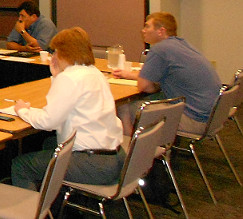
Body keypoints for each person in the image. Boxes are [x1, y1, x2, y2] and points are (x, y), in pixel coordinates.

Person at [11, 27, 125, 191]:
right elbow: (62, 113)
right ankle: (60, 206)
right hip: (115, 158)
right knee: (49, 144)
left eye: (55, 51)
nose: (53, 56)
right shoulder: (94, 73)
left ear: (65, 52)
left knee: (21, 165)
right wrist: (57, 76)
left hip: (93, 164)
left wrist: (22, 110)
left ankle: (33, 213)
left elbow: (48, 121)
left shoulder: (70, 78)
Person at [112, 12, 221, 136]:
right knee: (155, 97)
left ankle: (132, 150)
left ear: (161, 31)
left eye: (147, 27)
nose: (143, 31)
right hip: (213, 116)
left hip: (195, 120)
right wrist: (130, 75)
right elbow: (166, 76)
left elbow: (144, 87)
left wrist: (155, 85)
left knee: (124, 106)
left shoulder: (160, 49)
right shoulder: (181, 44)